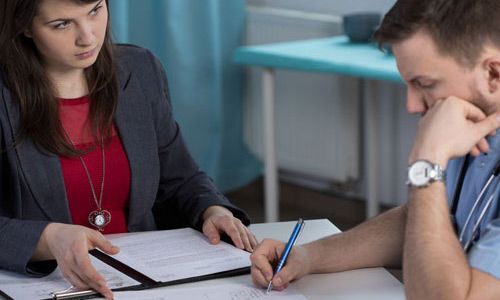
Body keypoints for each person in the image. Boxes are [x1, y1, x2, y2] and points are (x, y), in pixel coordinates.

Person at [0, 0, 257, 298]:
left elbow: (181, 177)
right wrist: (47, 239)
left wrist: (212, 210)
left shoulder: (138, 69)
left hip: (142, 283)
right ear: (25, 27)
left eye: (95, 11)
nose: (88, 36)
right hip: (47, 286)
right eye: (62, 24)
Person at [250, 0, 500, 298]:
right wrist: (309, 257)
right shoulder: (471, 125)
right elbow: (422, 222)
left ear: (493, 74)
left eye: (425, 83)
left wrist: (426, 165)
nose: (411, 105)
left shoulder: (447, 135)